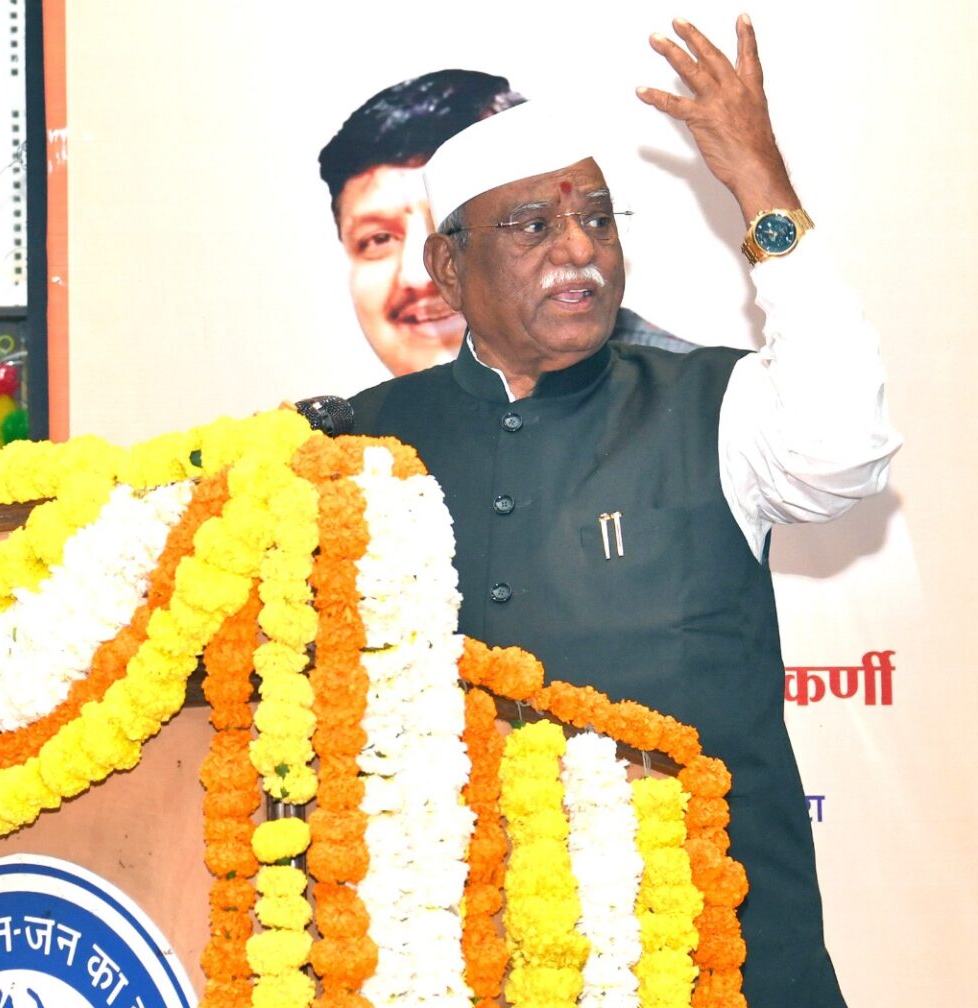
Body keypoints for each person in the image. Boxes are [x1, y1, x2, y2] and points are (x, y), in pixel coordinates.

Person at [348, 16, 899, 1008]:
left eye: (599, 221)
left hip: (725, 964)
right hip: (467, 967)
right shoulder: (367, 443)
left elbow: (847, 448)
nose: (580, 252)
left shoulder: (713, 404)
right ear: (449, 266)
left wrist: (762, 187)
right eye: (534, 227)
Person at [319, 69, 694, 376]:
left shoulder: (697, 394)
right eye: (379, 238)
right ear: (446, 265)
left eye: (596, 221)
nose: (419, 278)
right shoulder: (359, 426)